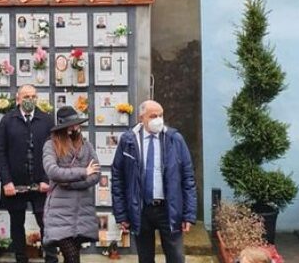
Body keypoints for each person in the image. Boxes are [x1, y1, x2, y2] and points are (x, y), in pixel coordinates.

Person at [111, 100, 197, 263]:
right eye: (153, 116)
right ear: (141, 118)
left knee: (176, 257)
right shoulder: (128, 141)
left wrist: (189, 214)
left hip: (169, 209)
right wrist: (121, 214)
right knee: (145, 258)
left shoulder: (174, 139)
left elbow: (188, 178)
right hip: (141, 209)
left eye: (161, 115)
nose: (158, 119)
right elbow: (118, 178)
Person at [0, 84, 58, 263]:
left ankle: (51, 259)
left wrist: (47, 178)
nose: (30, 100)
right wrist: (6, 181)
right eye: (26, 97)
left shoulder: (46, 120)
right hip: (15, 184)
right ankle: (21, 259)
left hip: (41, 184)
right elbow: (0, 152)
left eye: (33, 96)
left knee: (46, 223)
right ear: (18, 99)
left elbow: (54, 151)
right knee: (17, 224)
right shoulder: (7, 120)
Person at [42, 106, 101, 263]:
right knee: (72, 257)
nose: (75, 128)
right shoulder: (51, 145)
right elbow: (53, 172)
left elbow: (96, 174)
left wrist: (69, 183)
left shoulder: (87, 146)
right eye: (71, 125)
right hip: (60, 212)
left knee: (74, 258)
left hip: (82, 211)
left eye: (77, 124)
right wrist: (83, 172)